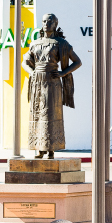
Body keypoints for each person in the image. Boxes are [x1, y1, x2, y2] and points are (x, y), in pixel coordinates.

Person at [21, 13, 82, 159]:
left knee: (50, 114)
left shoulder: (60, 43)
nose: (46, 23)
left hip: (52, 83)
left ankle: (51, 149)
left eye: (49, 21)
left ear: (55, 24)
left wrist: (63, 73)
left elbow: (77, 62)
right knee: (37, 114)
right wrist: (32, 72)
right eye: (43, 21)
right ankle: (39, 149)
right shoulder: (35, 43)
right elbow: (24, 62)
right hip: (37, 83)